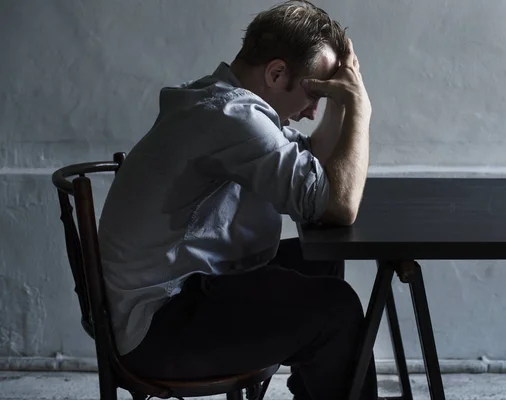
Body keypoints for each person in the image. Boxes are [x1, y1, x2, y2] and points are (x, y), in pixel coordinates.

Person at [98, 1, 375, 399]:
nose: (313, 111)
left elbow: (314, 158)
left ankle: (320, 388)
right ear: (277, 73)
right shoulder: (232, 116)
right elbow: (339, 206)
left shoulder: (221, 102)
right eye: (314, 93)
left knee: (322, 260)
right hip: (159, 331)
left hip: (173, 298)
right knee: (338, 310)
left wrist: (338, 100)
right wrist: (360, 111)